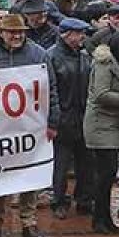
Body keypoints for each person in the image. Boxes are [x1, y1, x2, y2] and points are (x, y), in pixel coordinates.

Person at [0, 13, 59, 237]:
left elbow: (50, 89)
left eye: (20, 32)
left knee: (28, 174)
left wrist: (52, 123)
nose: (17, 36)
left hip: (30, 127)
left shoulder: (38, 54)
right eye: (12, 32)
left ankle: (28, 223)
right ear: (2, 33)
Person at [83, 29, 119, 235]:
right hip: (100, 124)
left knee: (107, 174)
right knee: (105, 173)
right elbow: (101, 94)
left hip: (114, 124)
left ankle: (104, 218)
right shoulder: (104, 64)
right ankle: (99, 220)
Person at [46, 17, 92, 221]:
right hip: (63, 119)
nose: (83, 37)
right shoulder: (51, 57)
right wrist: (54, 119)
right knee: (61, 165)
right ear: (67, 35)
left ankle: (84, 200)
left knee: (86, 163)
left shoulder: (84, 56)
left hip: (82, 118)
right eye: (79, 33)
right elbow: (50, 90)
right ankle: (59, 201)